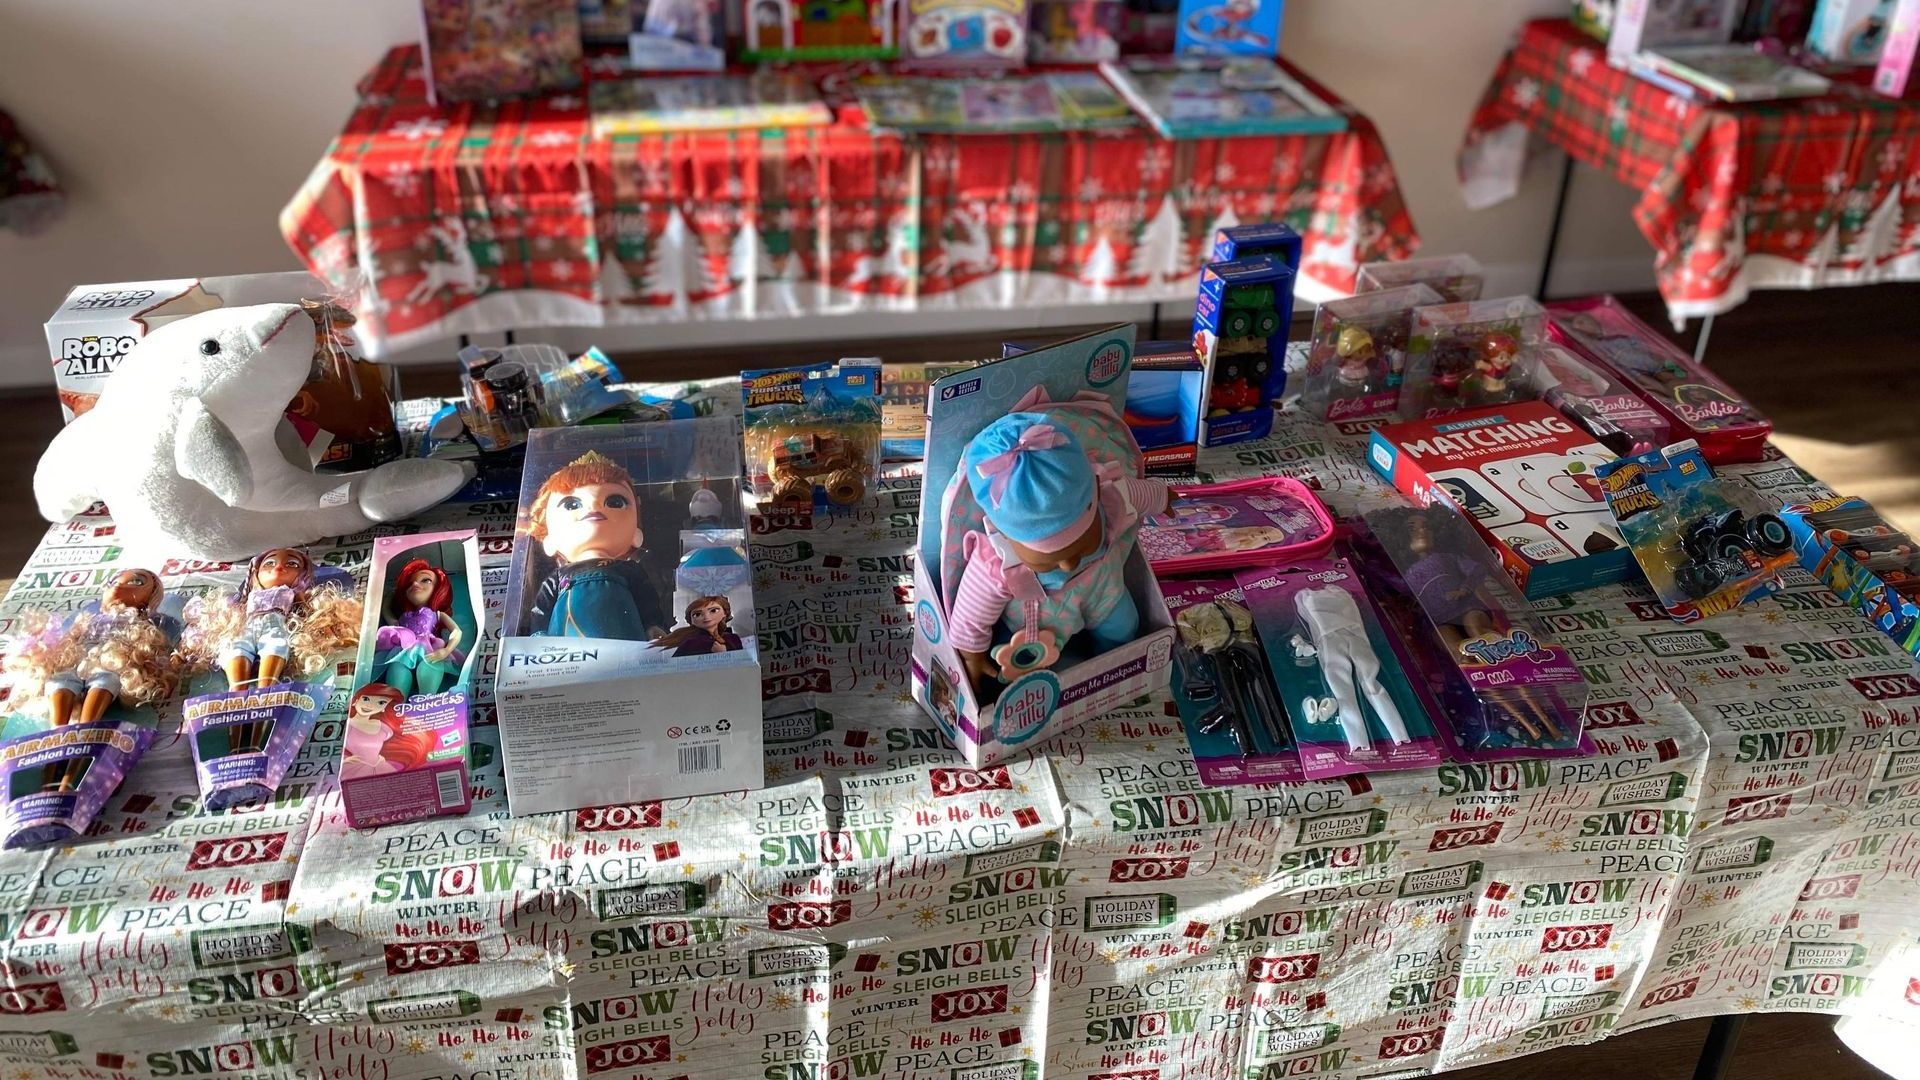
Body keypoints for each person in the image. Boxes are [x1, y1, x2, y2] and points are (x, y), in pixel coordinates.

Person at [526, 451, 666, 641]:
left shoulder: (629, 571)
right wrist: (539, 636)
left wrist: (654, 626)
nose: (594, 506)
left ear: (636, 534)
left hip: (626, 645)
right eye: (571, 504)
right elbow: (540, 611)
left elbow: (648, 602)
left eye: (615, 502)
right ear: (549, 541)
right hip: (568, 654)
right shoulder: (558, 578)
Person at [650, 596, 745, 656]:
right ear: (691, 620)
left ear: (725, 613)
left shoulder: (732, 638)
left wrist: (725, 653)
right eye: (697, 614)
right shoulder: (691, 642)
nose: (706, 617)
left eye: (713, 610)